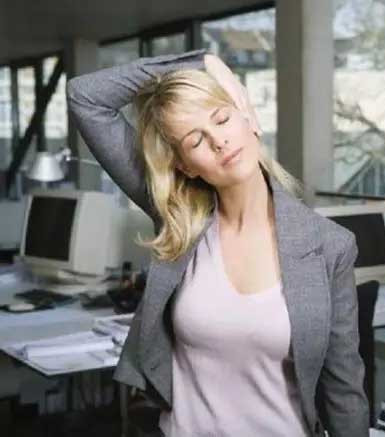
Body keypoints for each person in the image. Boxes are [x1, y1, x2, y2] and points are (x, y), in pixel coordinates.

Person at [65, 48, 369, 437]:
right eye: (196, 141)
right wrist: (201, 62)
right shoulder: (179, 220)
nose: (219, 141)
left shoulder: (329, 245)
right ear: (185, 166)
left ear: (248, 117)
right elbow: (86, 97)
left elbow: (343, 391)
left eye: (222, 118)